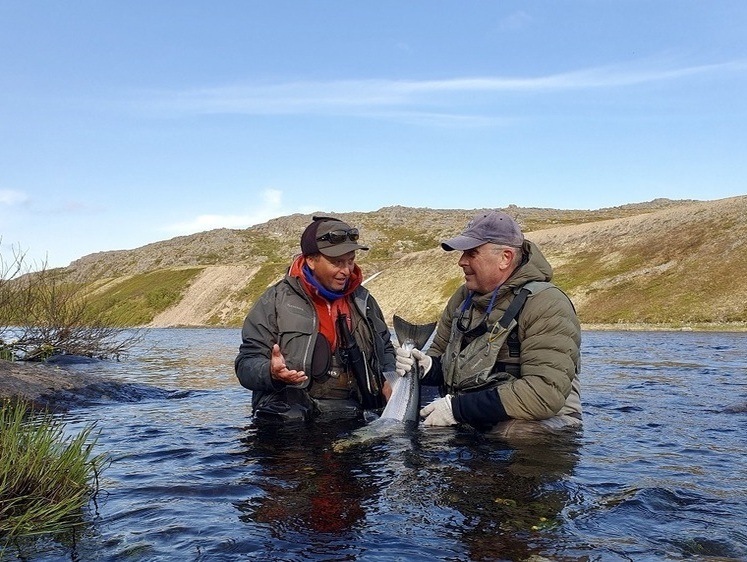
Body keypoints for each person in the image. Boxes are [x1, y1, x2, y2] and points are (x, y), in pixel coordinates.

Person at [395, 210, 582, 437]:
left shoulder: (546, 303)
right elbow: (440, 357)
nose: (461, 261)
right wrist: (425, 367)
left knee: (512, 435)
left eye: (472, 253)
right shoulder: (463, 297)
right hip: (471, 412)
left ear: (505, 258)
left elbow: (543, 394)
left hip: (542, 420)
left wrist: (457, 409)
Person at [235, 216, 396, 423]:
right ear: (311, 260)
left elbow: (386, 349)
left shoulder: (364, 301)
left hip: (356, 411)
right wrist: (271, 372)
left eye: (350, 260)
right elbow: (245, 364)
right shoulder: (274, 301)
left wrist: (389, 378)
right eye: (337, 262)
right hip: (295, 416)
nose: (346, 271)